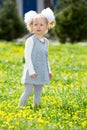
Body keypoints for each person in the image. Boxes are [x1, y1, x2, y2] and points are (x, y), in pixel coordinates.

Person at [18, 8, 56, 108]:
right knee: (28, 92)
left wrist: (49, 71)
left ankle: (36, 108)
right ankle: (20, 108)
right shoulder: (30, 41)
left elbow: (45, 57)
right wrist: (31, 71)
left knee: (38, 93)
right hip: (31, 72)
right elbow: (28, 57)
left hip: (41, 71)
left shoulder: (46, 42)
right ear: (31, 26)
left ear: (47, 26)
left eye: (41, 24)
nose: (38, 27)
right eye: (35, 24)